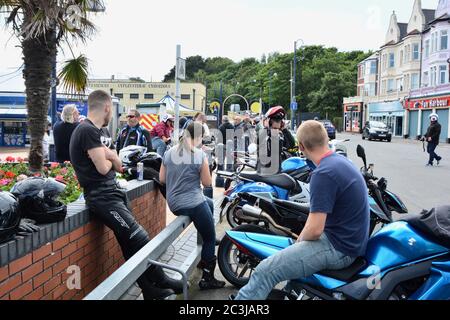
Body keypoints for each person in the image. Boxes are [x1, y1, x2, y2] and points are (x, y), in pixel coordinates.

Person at [234, 120, 370, 300]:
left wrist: (299, 243)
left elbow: (314, 230)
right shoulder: (341, 162)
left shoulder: (324, 173)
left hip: (338, 248)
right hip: (350, 243)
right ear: (325, 139)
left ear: (301, 146)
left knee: (265, 271)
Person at [69, 90, 183, 300]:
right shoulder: (87, 131)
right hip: (102, 198)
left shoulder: (94, 131)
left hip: (112, 194)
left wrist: (111, 156)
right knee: (138, 237)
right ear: (106, 108)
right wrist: (111, 154)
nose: (113, 114)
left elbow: (119, 166)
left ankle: (149, 290)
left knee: (129, 241)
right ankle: (161, 278)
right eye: (111, 110)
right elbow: (104, 168)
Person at [159, 122, 226, 291]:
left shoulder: (169, 152)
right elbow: (207, 183)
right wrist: (208, 167)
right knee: (211, 239)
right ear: (197, 137)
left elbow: (162, 179)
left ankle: (205, 242)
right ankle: (207, 279)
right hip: (193, 204)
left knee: (209, 204)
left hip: (174, 204)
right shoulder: (198, 155)